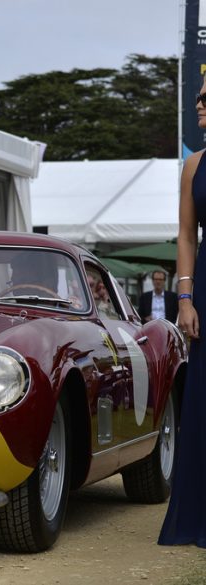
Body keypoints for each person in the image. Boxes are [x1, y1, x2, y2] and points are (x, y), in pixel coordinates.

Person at [158, 82, 206, 548]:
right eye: (199, 97)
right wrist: (185, 299)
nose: (199, 103)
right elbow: (186, 235)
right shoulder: (194, 164)